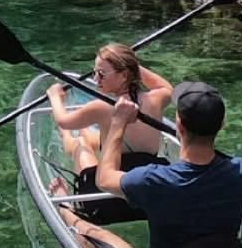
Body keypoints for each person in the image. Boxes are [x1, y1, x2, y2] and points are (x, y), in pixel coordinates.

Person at [53, 79, 242, 248]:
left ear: (179, 126)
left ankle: (64, 206)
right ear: (222, 124)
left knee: (96, 236)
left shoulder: (155, 178)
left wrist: (118, 123)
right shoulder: (241, 172)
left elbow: (104, 179)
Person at [46, 44, 172, 222]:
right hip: (149, 198)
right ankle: (84, 131)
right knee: (95, 136)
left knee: (80, 144)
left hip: (106, 202)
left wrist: (55, 98)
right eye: (95, 72)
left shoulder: (101, 107)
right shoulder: (156, 98)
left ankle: (71, 140)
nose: (96, 78)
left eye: (102, 74)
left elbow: (63, 121)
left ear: (124, 75)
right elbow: (166, 87)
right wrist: (133, 64)